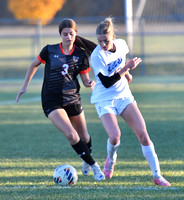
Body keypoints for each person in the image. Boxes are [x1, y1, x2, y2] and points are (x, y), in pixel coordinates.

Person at [16, 18, 105, 181]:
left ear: (75, 34)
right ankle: (94, 166)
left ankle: (86, 160)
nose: (68, 37)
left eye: (71, 34)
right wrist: (24, 86)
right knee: (71, 135)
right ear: (60, 35)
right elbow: (33, 65)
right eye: (65, 34)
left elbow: (85, 81)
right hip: (52, 100)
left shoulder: (80, 54)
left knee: (84, 137)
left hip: (72, 99)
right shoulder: (49, 50)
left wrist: (90, 83)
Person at [90, 17, 171, 186]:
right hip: (104, 99)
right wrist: (126, 69)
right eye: (99, 41)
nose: (103, 45)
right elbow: (106, 82)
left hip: (124, 96)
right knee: (115, 136)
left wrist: (126, 74)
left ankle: (157, 175)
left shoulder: (121, 44)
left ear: (113, 37)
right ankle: (111, 159)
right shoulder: (97, 55)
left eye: (105, 41)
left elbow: (119, 61)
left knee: (143, 134)